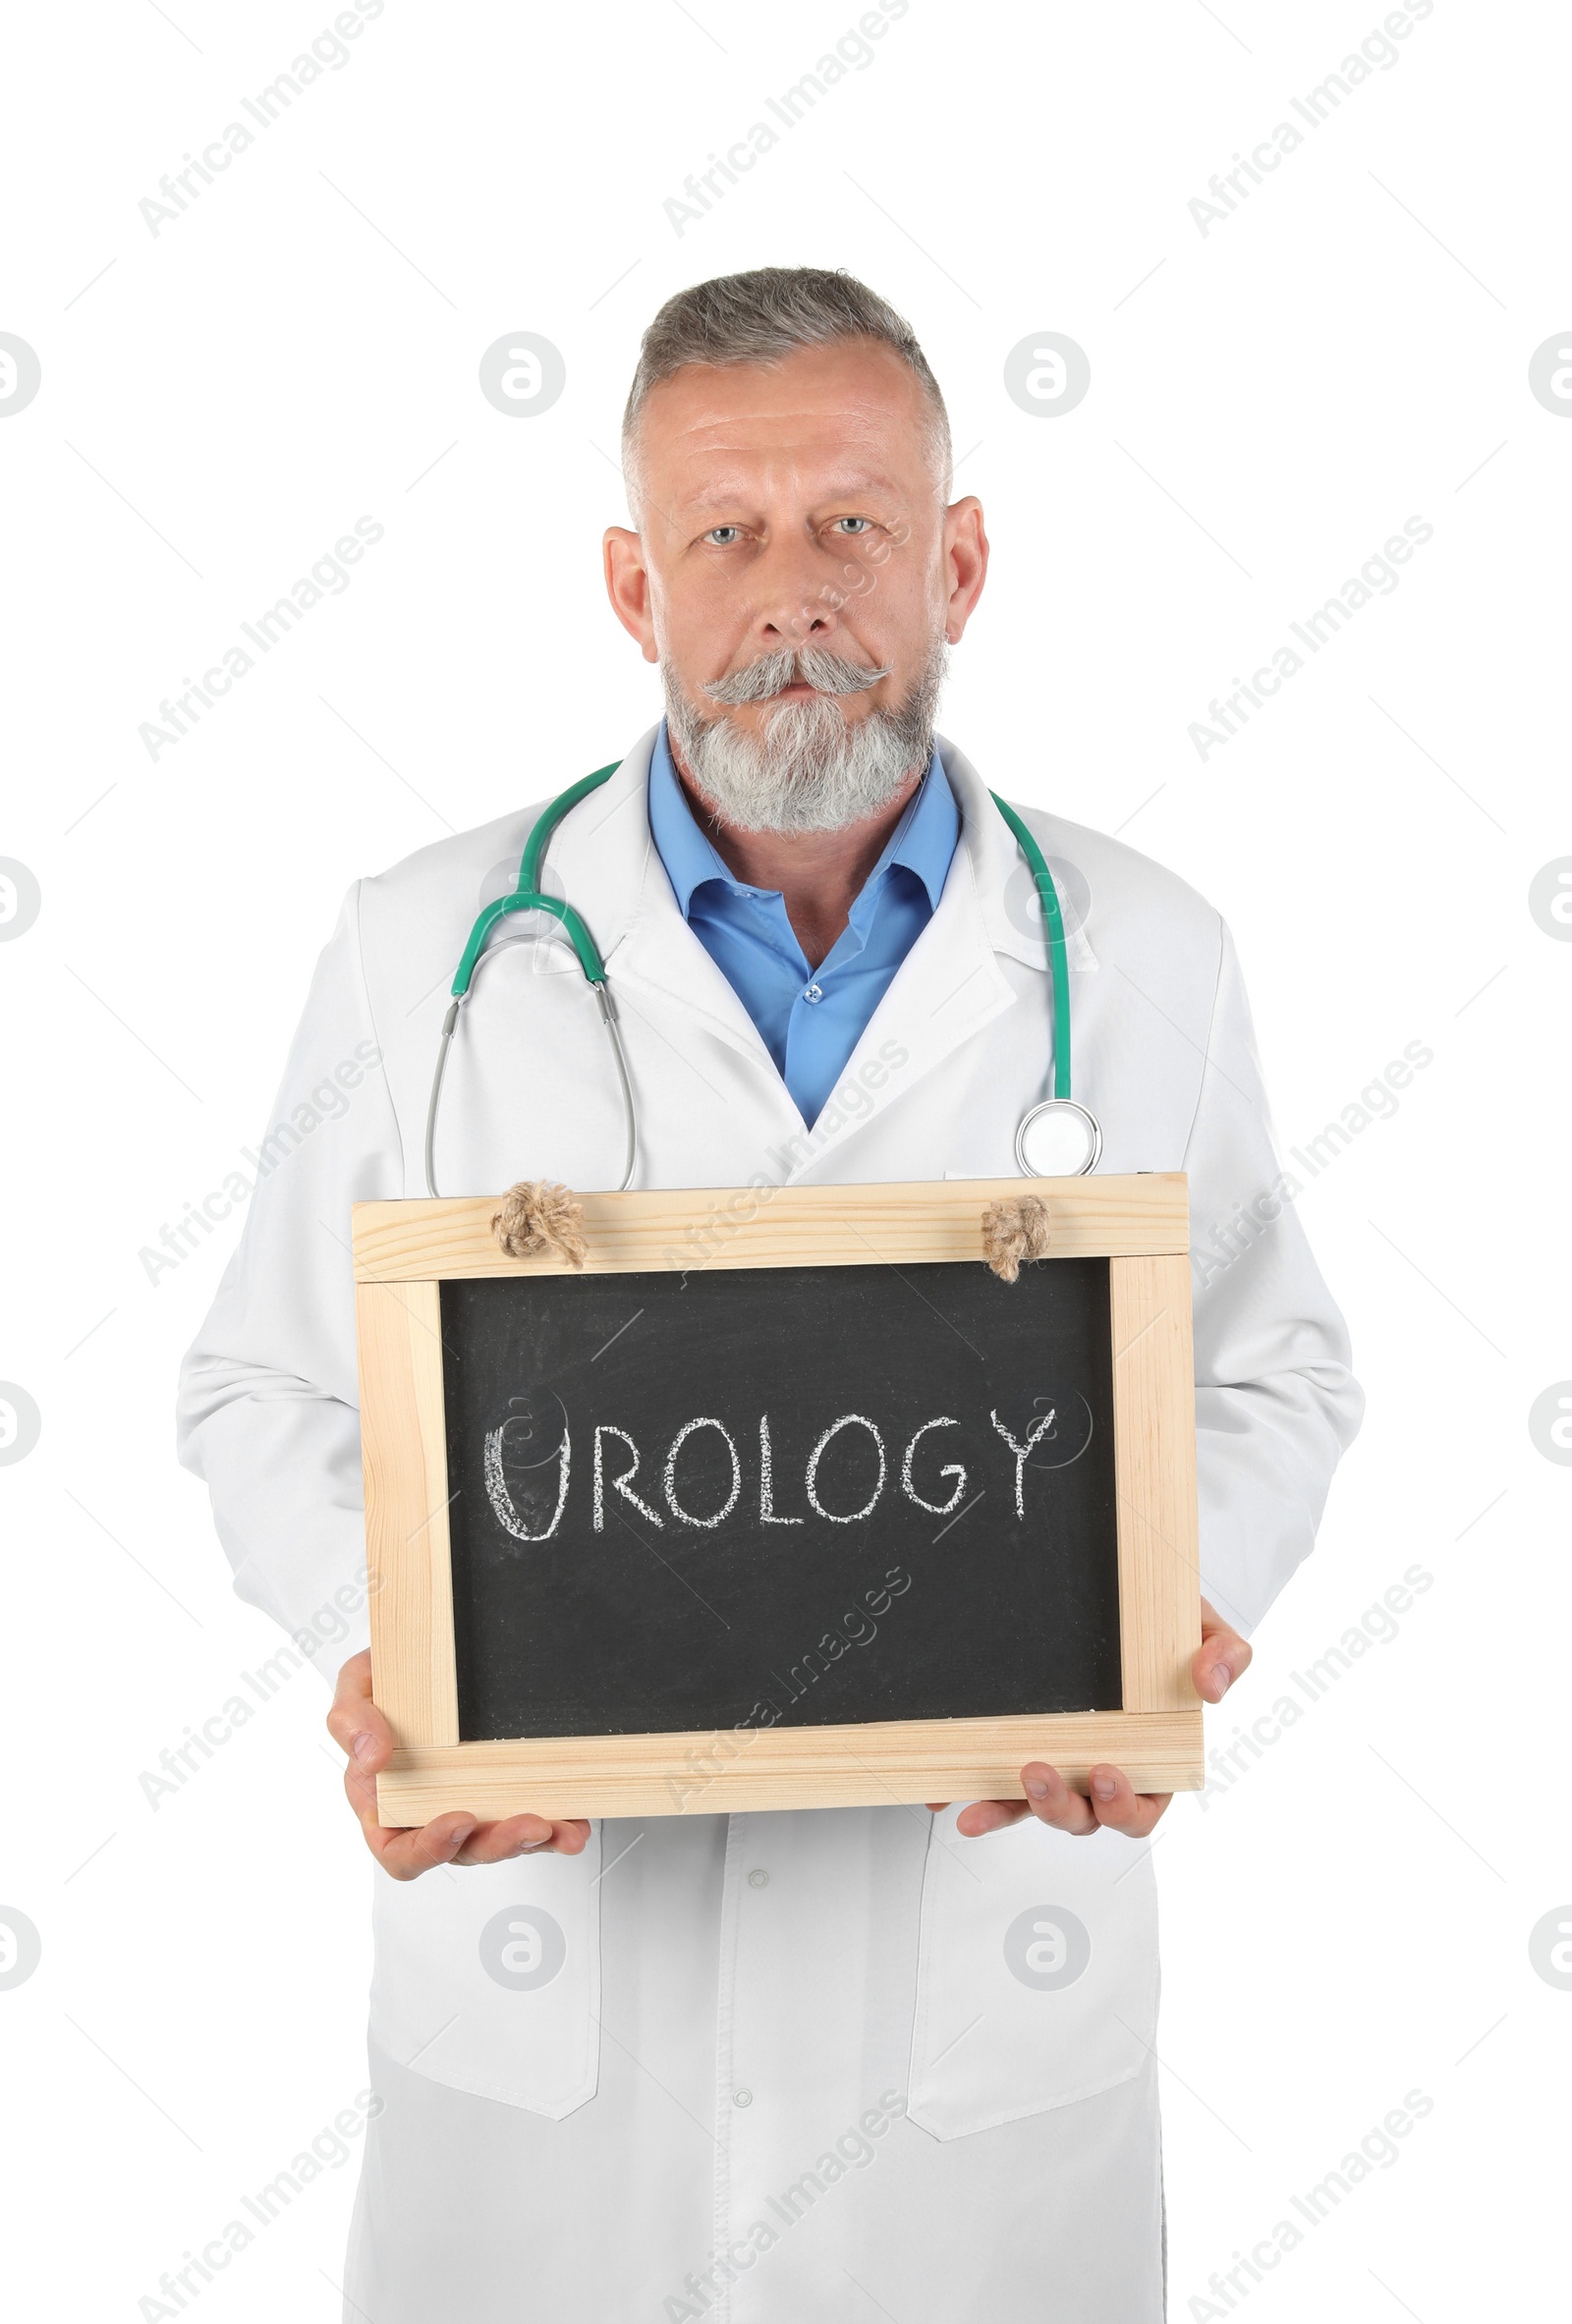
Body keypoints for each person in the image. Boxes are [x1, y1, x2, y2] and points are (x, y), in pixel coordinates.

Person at [177, 266, 1363, 2322]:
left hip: (978, 2029)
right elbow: (262, 1394)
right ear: (634, 589)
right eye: (722, 533)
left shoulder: (1144, 951)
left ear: (957, 562)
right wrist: (405, 1670)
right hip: (544, 2017)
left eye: (850, 523)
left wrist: (1162, 1625)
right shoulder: (423, 949)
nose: (786, 589)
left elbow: (1271, 1366)